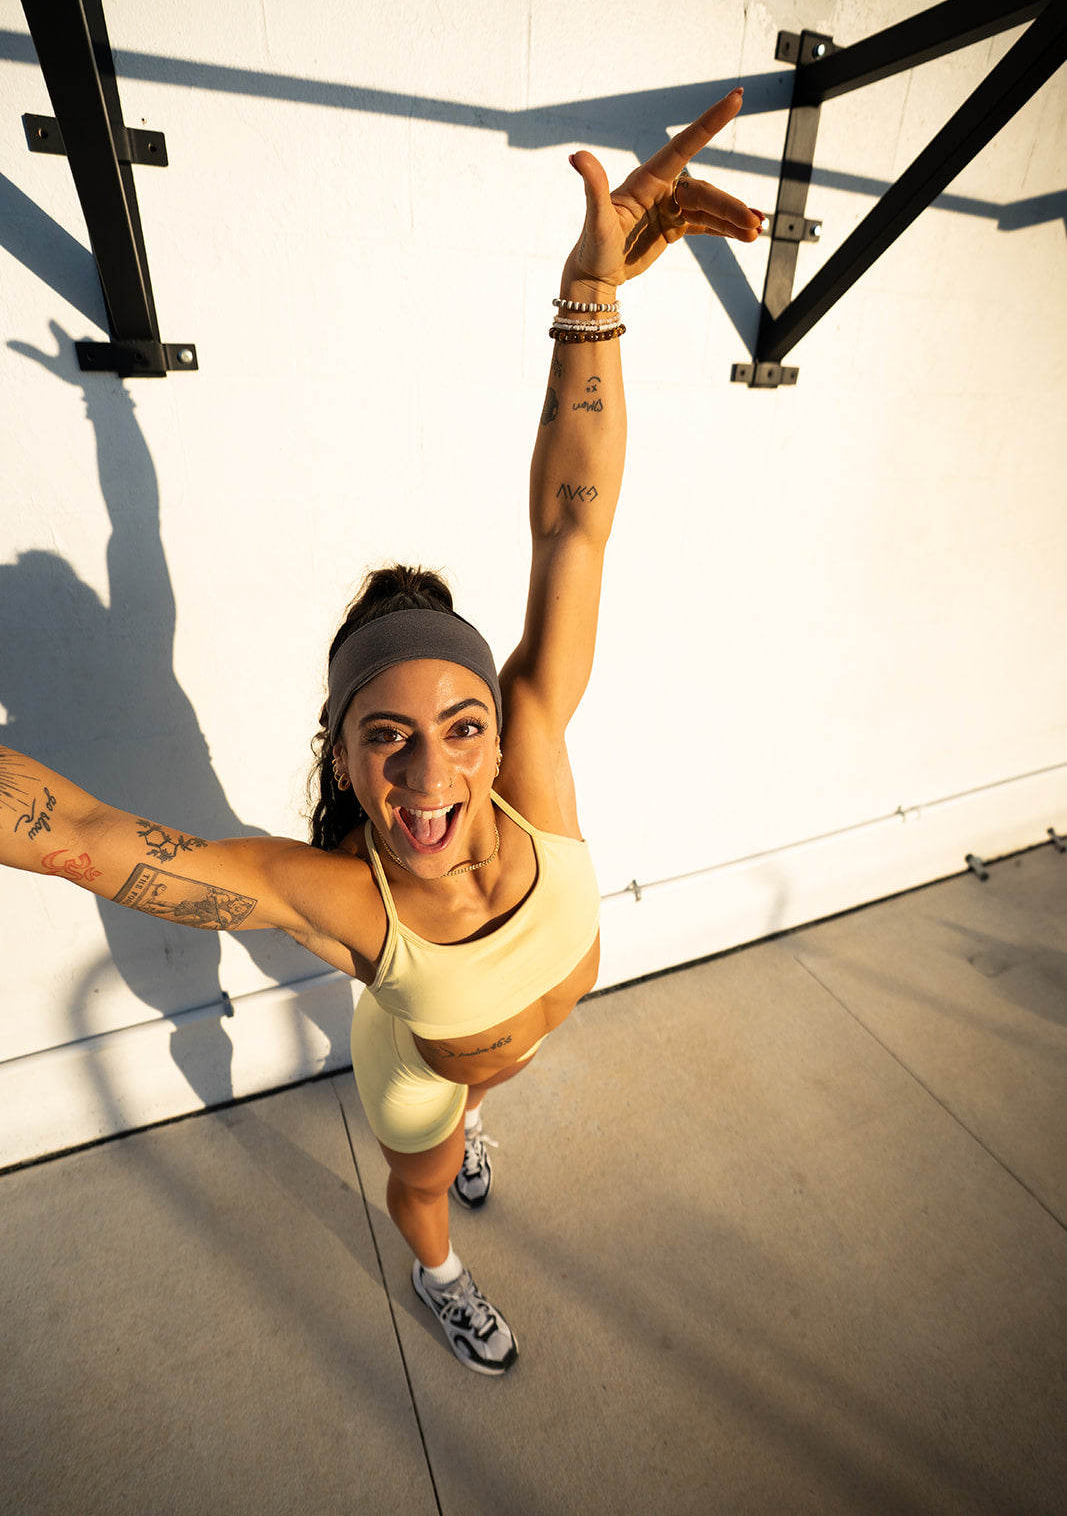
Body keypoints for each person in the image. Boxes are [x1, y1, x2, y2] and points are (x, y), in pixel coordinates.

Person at [0, 91, 760, 1375]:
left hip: (507, 1042)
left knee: (481, 1088)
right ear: (344, 755)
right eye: (384, 737)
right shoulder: (347, 900)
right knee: (423, 1174)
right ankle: (438, 1274)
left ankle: (474, 1118)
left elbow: (572, 525)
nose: (429, 771)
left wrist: (589, 291)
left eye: (460, 725)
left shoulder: (532, 754)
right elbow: (80, 834)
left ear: (496, 725)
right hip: (418, 1068)